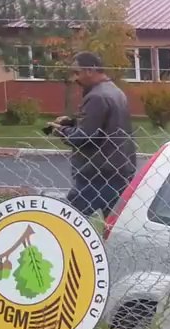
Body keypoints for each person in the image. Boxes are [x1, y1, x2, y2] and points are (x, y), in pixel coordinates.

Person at [48, 51, 137, 218]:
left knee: (70, 222)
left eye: (77, 72)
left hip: (97, 174)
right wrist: (72, 123)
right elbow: (104, 127)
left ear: (90, 70)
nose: (75, 79)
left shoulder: (97, 96)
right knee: (113, 224)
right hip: (118, 170)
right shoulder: (114, 91)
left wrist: (61, 130)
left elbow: (84, 137)